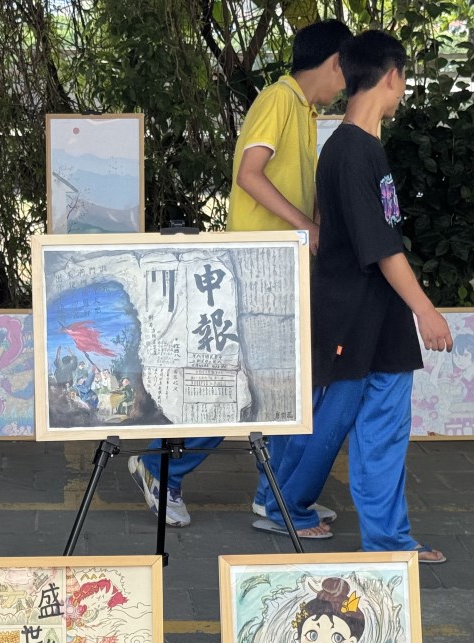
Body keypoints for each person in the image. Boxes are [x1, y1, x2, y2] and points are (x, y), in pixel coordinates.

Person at [128, 19, 351, 528]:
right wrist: (306, 227)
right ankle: (161, 467)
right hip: (257, 267)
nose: (346, 85)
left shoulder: (304, 111)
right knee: (243, 385)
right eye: (348, 71)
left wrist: (314, 226)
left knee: (279, 388)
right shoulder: (279, 99)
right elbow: (248, 174)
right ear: (336, 62)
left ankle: (276, 495)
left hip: (282, 265)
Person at [255, 30, 451, 562]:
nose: (402, 90)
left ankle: (386, 540)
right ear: (392, 76)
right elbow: (382, 247)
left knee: (380, 432)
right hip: (353, 315)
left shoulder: (356, 147)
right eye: (403, 80)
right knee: (333, 425)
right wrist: (426, 310)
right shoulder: (351, 151)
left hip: (377, 317)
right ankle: (287, 506)